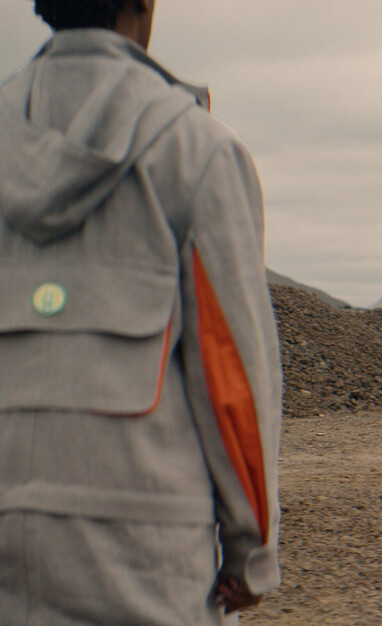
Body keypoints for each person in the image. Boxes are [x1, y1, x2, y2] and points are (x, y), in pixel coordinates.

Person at [0, 0, 280, 620]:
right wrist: (251, 551)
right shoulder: (196, 150)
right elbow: (232, 375)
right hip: (145, 554)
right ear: (143, 5)